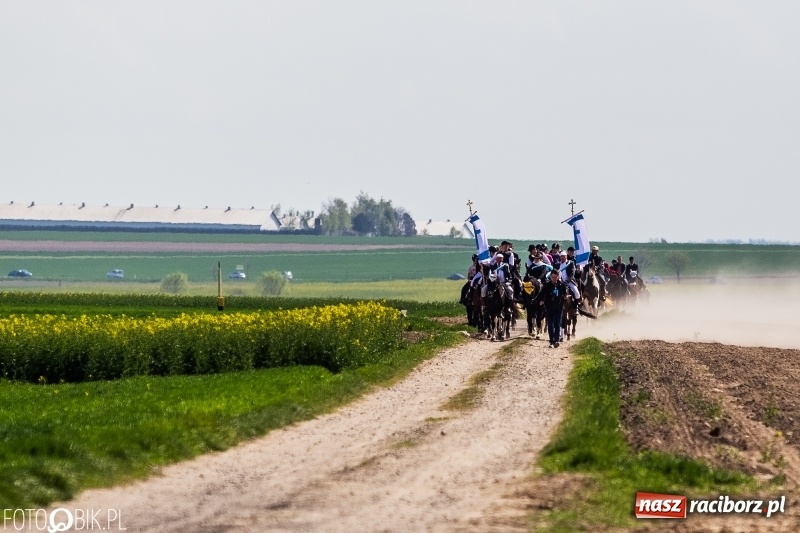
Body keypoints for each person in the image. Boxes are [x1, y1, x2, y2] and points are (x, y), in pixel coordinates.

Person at [541, 269, 567, 347]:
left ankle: (556, 341)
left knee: (557, 324)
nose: (554, 279)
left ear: (558, 277)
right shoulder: (547, 285)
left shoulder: (562, 285)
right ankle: (551, 341)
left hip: (559, 308)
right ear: (550, 277)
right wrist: (541, 300)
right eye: (553, 277)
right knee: (550, 325)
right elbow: (542, 294)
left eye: (556, 277)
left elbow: (565, 294)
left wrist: (565, 297)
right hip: (549, 307)